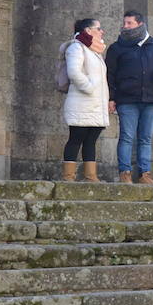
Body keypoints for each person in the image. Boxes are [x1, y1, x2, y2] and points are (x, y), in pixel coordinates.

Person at [105, 10, 153, 184]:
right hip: (127, 100)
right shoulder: (116, 48)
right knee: (127, 137)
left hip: (152, 99)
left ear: (140, 24)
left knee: (145, 138)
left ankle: (145, 174)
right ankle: (125, 173)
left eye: (129, 23)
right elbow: (110, 75)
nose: (125, 26)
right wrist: (111, 98)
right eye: (125, 23)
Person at [59, 18, 109, 183]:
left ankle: (91, 176)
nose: (102, 31)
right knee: (76, 138)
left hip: (95, 105)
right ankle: (68, 177)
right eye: (99, 28)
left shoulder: (95, 51)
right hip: (81, 102)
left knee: (91, 140)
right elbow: (73, 71)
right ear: (88, 31)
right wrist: (89, 87)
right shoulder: (76, 47)